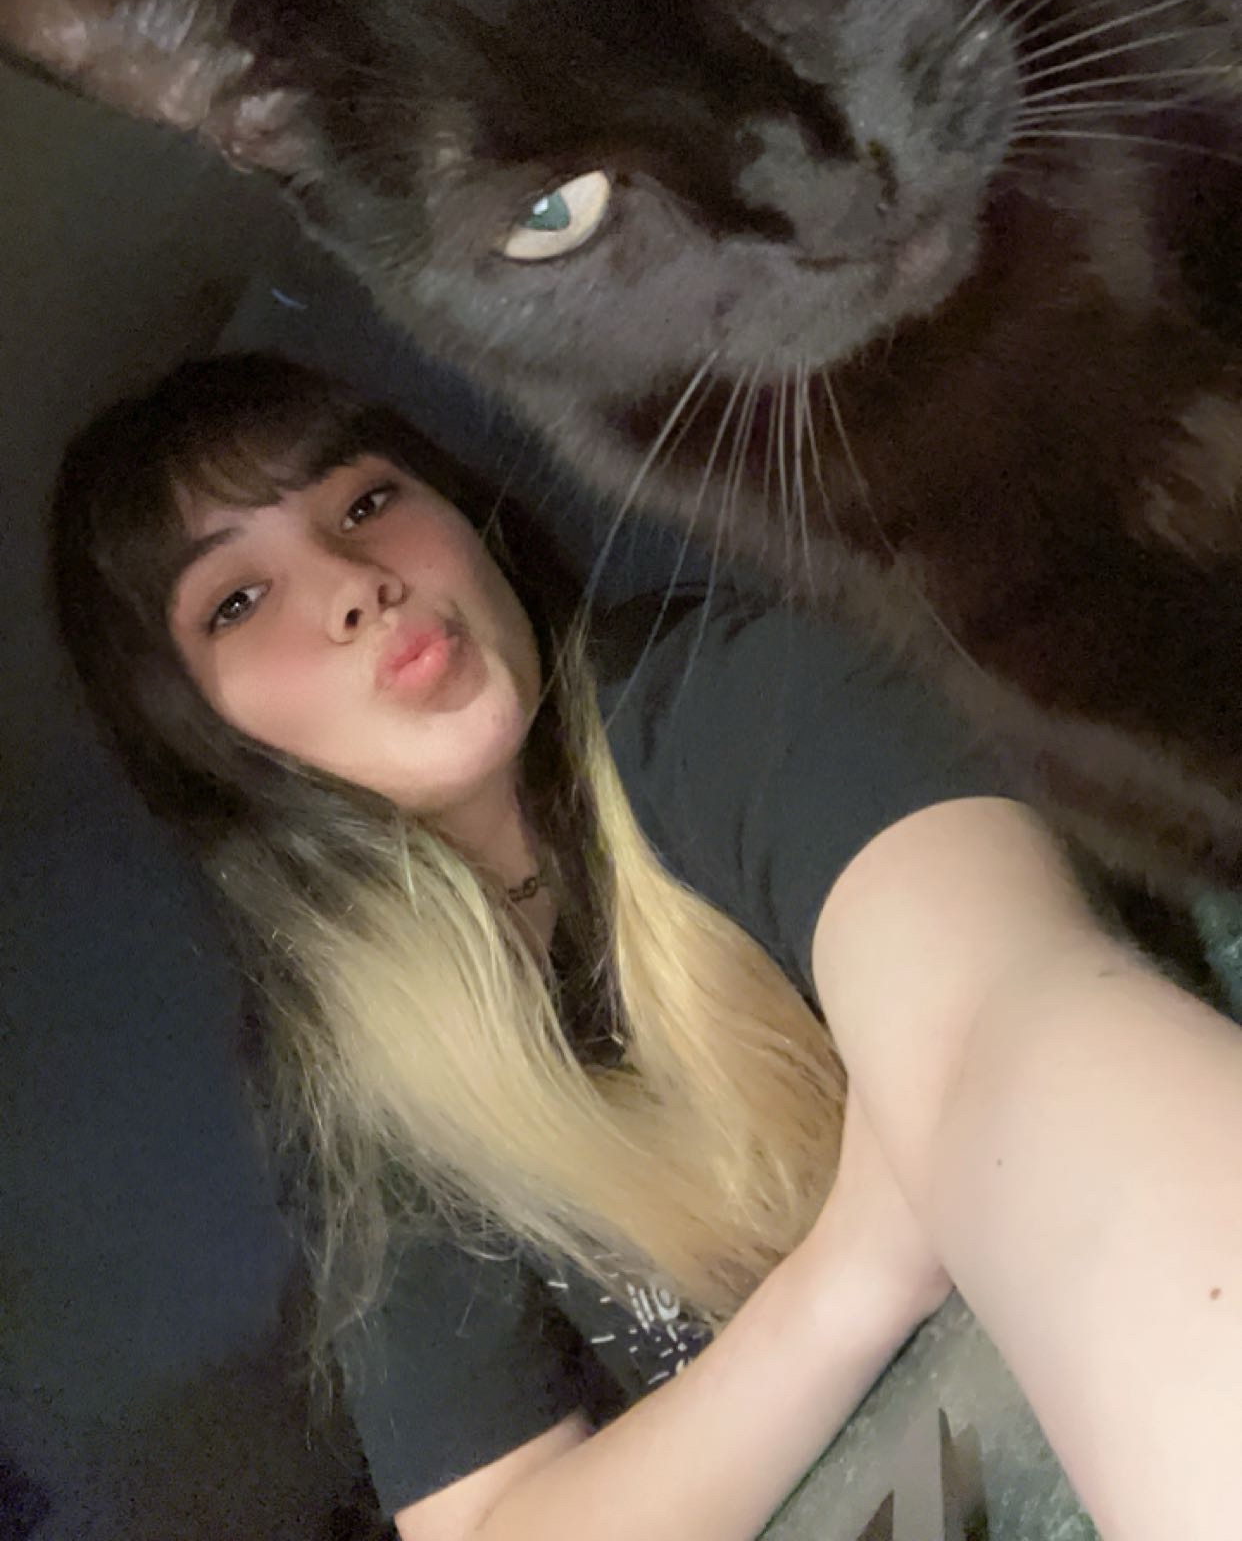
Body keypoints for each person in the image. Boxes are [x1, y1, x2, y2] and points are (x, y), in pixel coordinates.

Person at [51, 350, 1242, 1541]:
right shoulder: (349, 1072)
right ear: (201, 735)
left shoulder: (727, 701)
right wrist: (853, 1275)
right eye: (237, 602)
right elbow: (484, 1525)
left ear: (468, 522)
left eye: (366, 501)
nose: (355, 585)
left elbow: (1014, 1025)